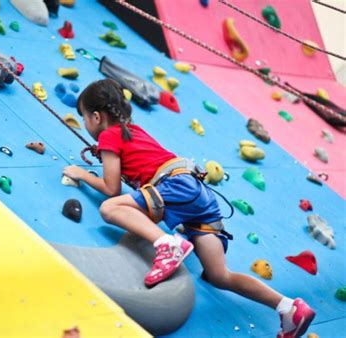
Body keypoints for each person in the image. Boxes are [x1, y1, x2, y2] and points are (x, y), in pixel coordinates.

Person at [63, 79, 315, 338]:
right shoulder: (132, 131)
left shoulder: (109, 136)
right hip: (197, 193)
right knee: (220, 275)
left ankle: (166, 244)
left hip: (175, 186)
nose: (84, 123)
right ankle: (288, 307)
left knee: (110, 208)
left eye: (84, 117)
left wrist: (81, 173)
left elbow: (111, 187)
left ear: (96, 116)